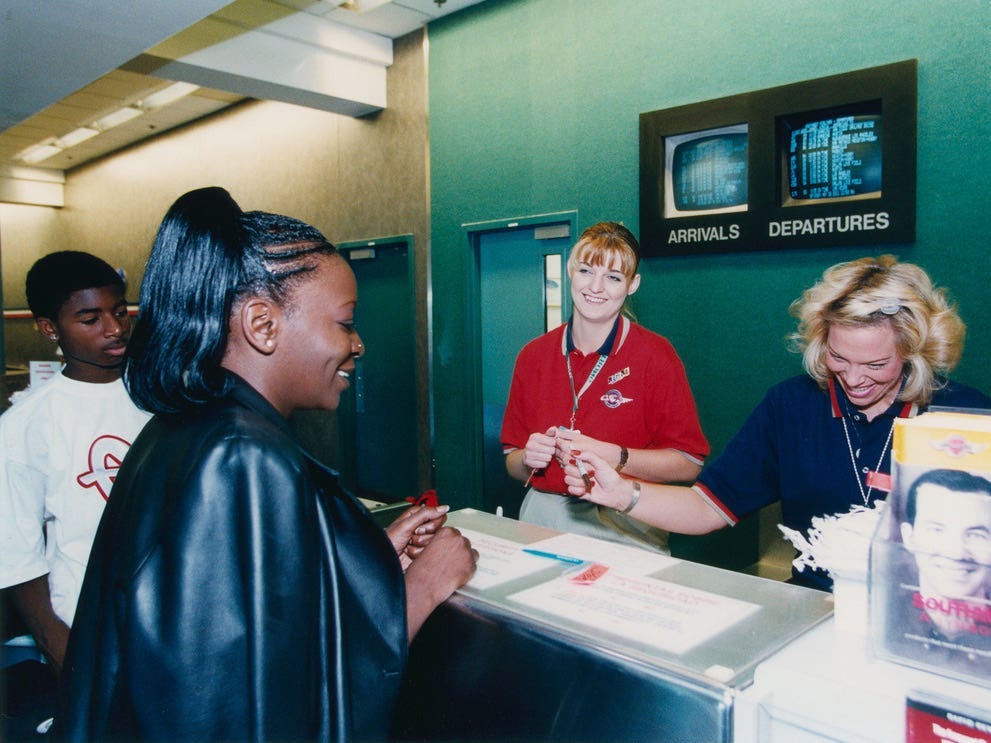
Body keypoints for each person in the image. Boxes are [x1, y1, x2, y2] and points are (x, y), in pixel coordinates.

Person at [56, 188, 477, 741]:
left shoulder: (188, 426)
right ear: (263, 324)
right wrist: (420, 588)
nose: (358, 345)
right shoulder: (241, 455)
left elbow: (247, 618)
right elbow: (253, 704)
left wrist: (363, 561)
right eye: (345, 322)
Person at [563, 255, 991, 590]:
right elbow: (708, 506)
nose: (854, 378)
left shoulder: (964, 417)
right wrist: (623, 494)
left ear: (915, 352)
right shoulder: (792, 406)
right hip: (817, 602)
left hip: (926, 613)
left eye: (876, 364)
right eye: (838, 357)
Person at [501, 221, 708, 553]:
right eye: (586, 271)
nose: (596, 287)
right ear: (570, 271)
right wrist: (529, 457)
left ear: (632, 284)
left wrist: (618, 457)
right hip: (543, 514)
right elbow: (512, 459)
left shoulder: (656, 356)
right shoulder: (533, 356)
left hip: (623, 522)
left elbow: (688, 463)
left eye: (613, 277)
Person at [0, 251, 151, 675]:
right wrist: (60, 647)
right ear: (50, 327)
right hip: (89, 627)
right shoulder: (27, 424)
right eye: (90, 319)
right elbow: (16, 552)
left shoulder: (159, 395)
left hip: (170, 618)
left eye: (119, 311)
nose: (115, 328)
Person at [899, 469, 991, 642]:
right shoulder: (886, 615)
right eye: (937, 530)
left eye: (975, 535)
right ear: (909, 537)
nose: (955, 553)